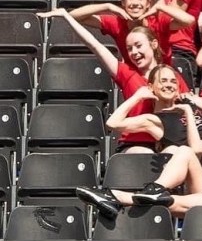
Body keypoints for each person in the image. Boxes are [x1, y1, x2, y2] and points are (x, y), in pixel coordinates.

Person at [76, 86, 202, 219]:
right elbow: (195, 148)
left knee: (176, 203)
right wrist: (188, 112)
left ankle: (114, 197)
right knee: (184, 151)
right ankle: (155, 189)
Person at [37, 9, 190, 153]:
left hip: (167, 141)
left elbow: (188, 110)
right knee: (143, 153)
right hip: (135, 144)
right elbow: (95, 45)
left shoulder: (170, 77)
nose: (134, 52)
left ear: (154, 44)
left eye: (138, 46)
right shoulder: (126, 73)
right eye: (129, 49)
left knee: (176, 153)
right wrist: (66, 16)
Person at [69, 0, 195, 68]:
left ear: (148, 4)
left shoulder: (157, 20)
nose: (135, 3)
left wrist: (160, 7)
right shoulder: (117, 22)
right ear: (123, 3)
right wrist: (107, 6)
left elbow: (189, 21)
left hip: (161, 75)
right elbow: (73, 16)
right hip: (135, 78)